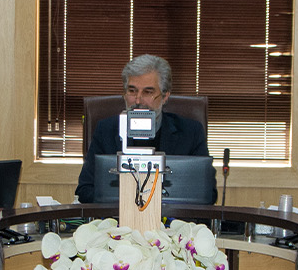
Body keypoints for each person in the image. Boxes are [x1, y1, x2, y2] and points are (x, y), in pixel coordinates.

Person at [73, 54, 210, 204]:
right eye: (132, 91)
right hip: (117, 217)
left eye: (148, 92)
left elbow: (205, 195)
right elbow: (84, 190)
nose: (138, 100)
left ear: (165, 96)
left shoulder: (191, 132)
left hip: (171, 217)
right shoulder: (105, 130)